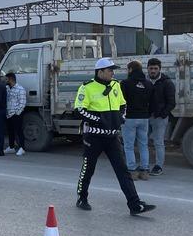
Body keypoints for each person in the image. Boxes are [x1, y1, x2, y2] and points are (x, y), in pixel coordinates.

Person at [73, 58, 156, 215]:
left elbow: (123, 104)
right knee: (88, 169)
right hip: (93, 137)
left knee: (123, 171)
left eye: (113, 70)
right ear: (100, 72)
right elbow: (79, 110)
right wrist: (100, 120)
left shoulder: (116, 85)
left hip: (112, 137)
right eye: (110, 70)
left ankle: (135, 204)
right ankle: (82, 198)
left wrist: (120, 118)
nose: (113, 72)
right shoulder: (87, 87)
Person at [121, 61, 153, 180]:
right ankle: (145, 171)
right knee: (143, 144)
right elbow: (152, 101)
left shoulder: (125, 83)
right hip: (144, 118)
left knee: (128, 146)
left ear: (130, 69)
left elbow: (121, 101)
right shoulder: (148, 84)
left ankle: (132, 171)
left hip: (129, 118)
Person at [147, 58, 176, 176]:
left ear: (160, 69)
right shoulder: (144, 81)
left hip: (159, 118)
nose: (153, 71)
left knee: (158, 142)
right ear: (147, 69)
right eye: (151, 68)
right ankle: (145, 165)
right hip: (145, 117)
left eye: (155, 68)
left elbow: (171, 102)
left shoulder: (167, 82)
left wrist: (162, 114)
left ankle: (158, 166)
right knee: (143, 141)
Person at [5, 72, 27, 156]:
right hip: (8, 114)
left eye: (6, 79)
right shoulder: (7, 88)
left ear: (11, 79)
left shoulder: (20, 89)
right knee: (10, 131)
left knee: (19, 131)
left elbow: (22, 103)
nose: (5, 81)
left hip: (16, 114)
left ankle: (22, 148)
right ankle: (11, 147)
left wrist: (17, 113)